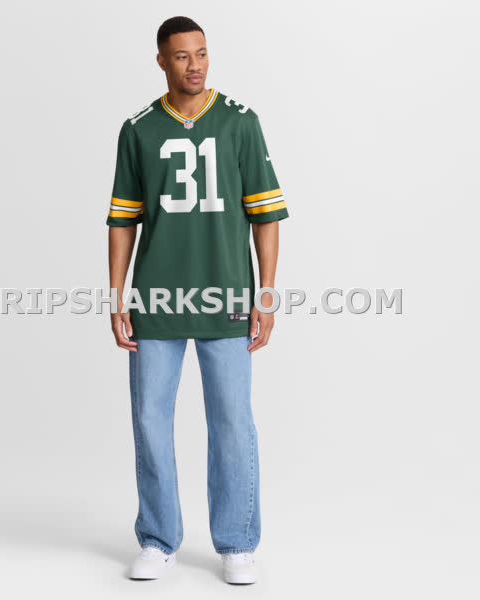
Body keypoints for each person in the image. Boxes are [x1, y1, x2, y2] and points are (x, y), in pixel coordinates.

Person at [106, 16, 288, 585]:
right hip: (156, 296)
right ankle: (158, 539)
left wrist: (265, 294)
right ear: (162, 61)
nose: (195, 65)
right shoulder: (138, 130)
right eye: (182, 56)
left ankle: (237, 543)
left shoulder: (240, 122)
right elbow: (122, 221)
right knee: (150, 420)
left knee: (232, 420)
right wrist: (116, 296)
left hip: (227, 292)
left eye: (202, 53)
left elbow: (265, 216)